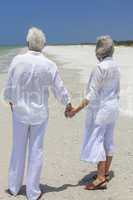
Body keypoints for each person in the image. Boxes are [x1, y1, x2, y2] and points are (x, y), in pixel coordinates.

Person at [4, 27, 72, 200]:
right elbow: (59, 88)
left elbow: (9, 85)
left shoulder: (17, 60)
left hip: (19, 112)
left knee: (17, 149)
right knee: (36, 151)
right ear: (43, 45)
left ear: (27, 43)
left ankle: (13, 187)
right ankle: (33, 192)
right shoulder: (49, 64)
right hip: (39, 113)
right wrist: (67, 103)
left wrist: (10, 100)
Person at [66, 35, 120, 190]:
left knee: (97, 140)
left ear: (99, 50)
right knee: (108, 140)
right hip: (113, 107)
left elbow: (91, 94)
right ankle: (105, 173)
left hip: (101, 110)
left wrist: (75, 109)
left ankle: (101, 177)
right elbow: (116, 90)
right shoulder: (115, 66)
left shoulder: (99, 68)